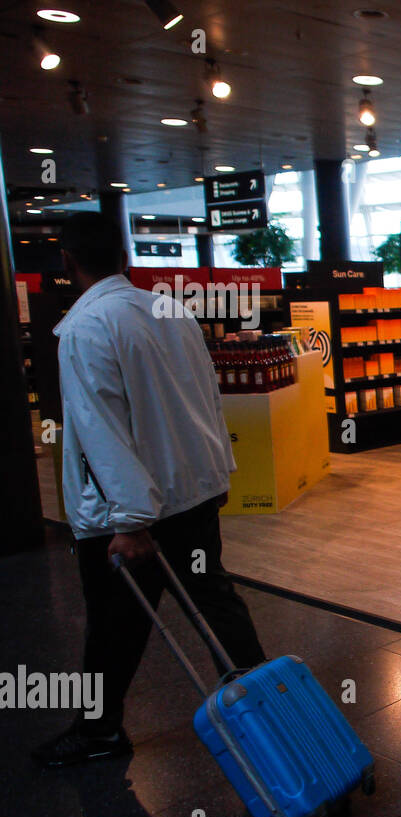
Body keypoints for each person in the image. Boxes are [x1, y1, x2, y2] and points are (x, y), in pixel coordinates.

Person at [32, 212, 266, 769]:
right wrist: (219, 471)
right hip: (191, 493)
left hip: (135, 511)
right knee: (214, 603)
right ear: (125, 258)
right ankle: (269, 713)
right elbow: (207, 397)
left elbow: (99, 430)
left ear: (67, 262)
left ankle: (99, 731)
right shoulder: (171, 310)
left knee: (113, 624)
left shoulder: (86, 328)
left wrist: (130, 521)